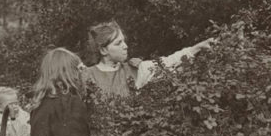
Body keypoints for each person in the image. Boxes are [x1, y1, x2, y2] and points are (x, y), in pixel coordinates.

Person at [80, 20, 214, 98]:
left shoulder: (135, 70)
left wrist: (196, 48)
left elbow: (167, 63)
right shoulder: (85, 76)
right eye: (118, 43)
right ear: (103, 50)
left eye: (124, 41)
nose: (125, 46)